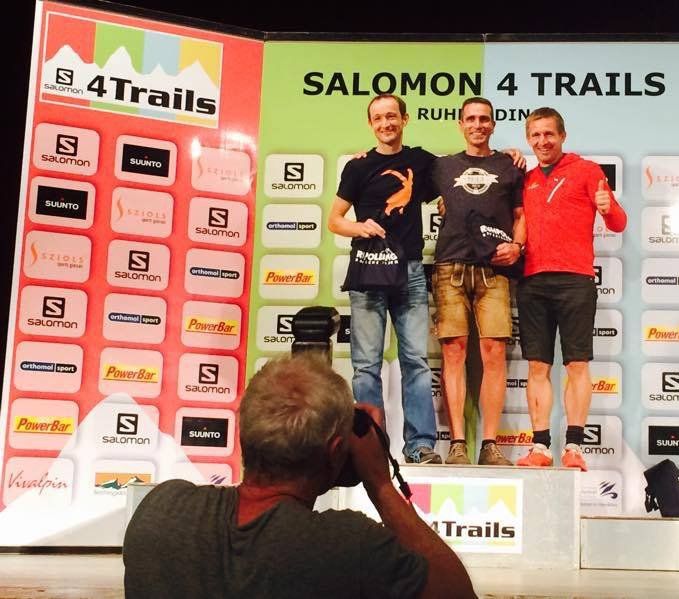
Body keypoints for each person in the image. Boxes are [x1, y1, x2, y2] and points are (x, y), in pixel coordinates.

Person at [123, 351, 475, 599]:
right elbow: (457, 593)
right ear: (336, 451)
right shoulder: (348, 545)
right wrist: (381, 484)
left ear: (245, 431)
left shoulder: (161, 510)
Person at [328, 94, 441, 464]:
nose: (385, 123)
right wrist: (360, 226)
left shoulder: (422, 162)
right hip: (369, 270)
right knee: (365, 366)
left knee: (416, 362)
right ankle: (371, 449)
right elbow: (334, 220)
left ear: (404, 119)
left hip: (409, 271)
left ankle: (420, 446)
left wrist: (511, 157)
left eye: (392, 116)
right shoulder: (357, 167)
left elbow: (461, 175)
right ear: (370, 124)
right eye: (378, 118)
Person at [515, 107, 627, 472]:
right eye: (535, 135)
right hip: (533, 280)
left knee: (577, 364)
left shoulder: (587, 171)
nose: (542, 141)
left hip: (575, 280)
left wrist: (607, 209)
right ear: (528, 139)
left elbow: (619, 222)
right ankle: (540, 447)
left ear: (562, 135)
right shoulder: (527, 179)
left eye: (549, 134)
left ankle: (575, 447)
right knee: (537, 366)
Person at [431, 97, 525, 466]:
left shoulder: (509, 165)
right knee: (453, 353)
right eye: (470, 119)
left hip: (495, 270)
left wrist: (517, 246)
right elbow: (397, 172)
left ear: (493, 124)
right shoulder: (441, 166)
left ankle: (490, 444)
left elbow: (521, 215)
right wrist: (366, 157)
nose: (477, 125)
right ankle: (457, 444)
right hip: (449, 267)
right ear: (460, 124)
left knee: (494, 354)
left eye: (484, 119)